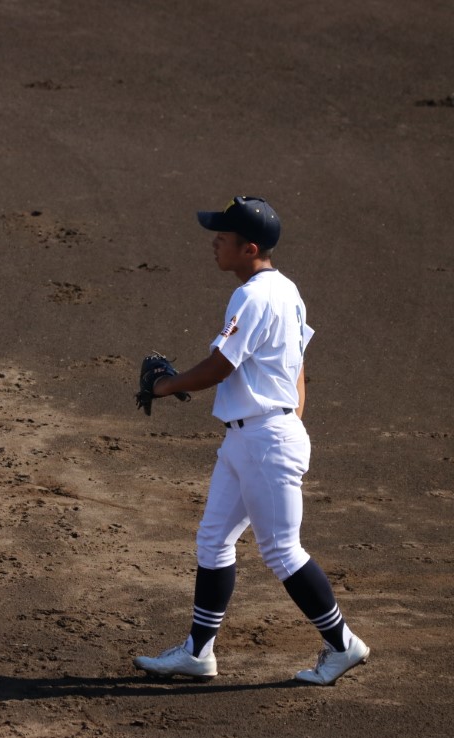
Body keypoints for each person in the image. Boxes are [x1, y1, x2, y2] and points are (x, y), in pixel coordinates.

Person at [133, 196, 370, 685]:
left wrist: (166, 385)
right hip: (252, 438)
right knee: (213, 540)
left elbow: (222, 365)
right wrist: (292, 418)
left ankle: (343, 644)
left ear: (250, 248)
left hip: (264, 439)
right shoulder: (286, 290)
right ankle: (198, 652)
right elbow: (297, 362)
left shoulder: (254, 296)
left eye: (223, 239)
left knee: (283, 551)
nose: (215, 244)